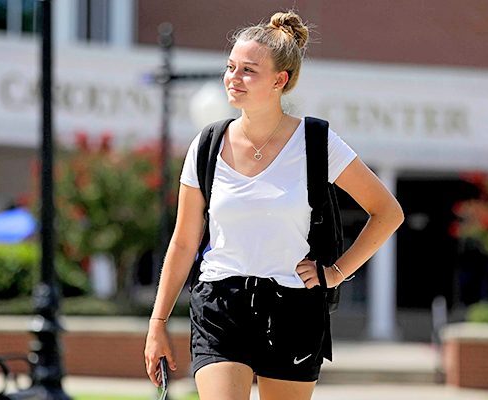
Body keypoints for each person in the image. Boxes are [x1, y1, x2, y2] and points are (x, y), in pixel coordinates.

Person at [144, 10, 404, 400]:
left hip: (294, 311)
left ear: (280, 81)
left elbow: (388, 212)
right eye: (231, 67)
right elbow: (183, 242)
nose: (234, 78)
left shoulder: (317, 142)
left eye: (249, 70)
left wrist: (335, 272)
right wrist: (157, 322)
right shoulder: (207, 146)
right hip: (220, 305)